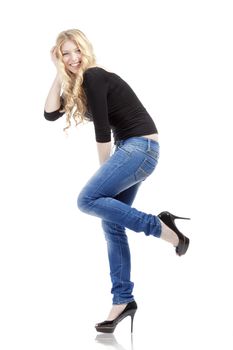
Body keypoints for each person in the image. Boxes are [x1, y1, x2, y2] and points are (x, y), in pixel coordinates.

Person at [44, 29, 190, 334]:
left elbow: (101, 130)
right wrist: (57, 72)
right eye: (65, 54)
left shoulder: (95, 75)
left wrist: (104, 171)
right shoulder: (78, 83)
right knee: (110, 222)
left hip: (140, 147)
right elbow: (50, 114)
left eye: (76, 51)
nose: (72, 59)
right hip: (133, 149)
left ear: (86, 51)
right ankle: (123, 299)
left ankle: (161, 226)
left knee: (87, 200)